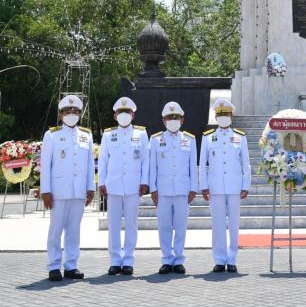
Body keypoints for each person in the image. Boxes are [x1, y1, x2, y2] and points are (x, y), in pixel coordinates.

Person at [40, 94, 95, 281]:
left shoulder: (86, 135)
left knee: (74, 230)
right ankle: (54, 266)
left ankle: (71, 266)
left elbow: (89, 165)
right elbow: (46, 165)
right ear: (61, 114)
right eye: (67, 111)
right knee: (55, 230)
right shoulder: (52, 135)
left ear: (80, 113)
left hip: (78, 191)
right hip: (58, 191)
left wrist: (90, 188)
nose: (71, 113)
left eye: (75, 111)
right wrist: (45, 191)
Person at [97, 97, 148, 276]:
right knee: (114, 225)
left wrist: (144, 181)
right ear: (115, 115)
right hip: (113, 186)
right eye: (121, 112)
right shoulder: (108, 134)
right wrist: (101, 182)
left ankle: (128, 260)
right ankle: (115, 261)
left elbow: (145, 160)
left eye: (127, 112)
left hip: (133, 186)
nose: (124, 115)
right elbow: (103, 160)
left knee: (131, 224)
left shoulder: (141, 134)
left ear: (133, 115)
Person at [199, 98, 250, 273]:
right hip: (215, 187)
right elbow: (202, 164)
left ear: (232, 116)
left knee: (234, 224)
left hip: (235, 186)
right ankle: (220, 260)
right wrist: (204, 186)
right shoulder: (208, 137)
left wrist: (246, 185)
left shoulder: (240, 137)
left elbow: (245, 163)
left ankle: (232, 259)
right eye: (220, 115)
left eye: (226, 114)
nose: (223, 118)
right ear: (215, 117)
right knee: (218, 224)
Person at [148, 101, 198, 275]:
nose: (173, 120)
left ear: (182, 120)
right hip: (162, 190)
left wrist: (193, 188)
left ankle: (179, 260)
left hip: (183, 190)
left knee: (181, 226)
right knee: (164, 226)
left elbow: (193, 167)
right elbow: (152, 167)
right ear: (163, 120)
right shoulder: (155, 140)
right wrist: (153, 189)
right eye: (169, 117)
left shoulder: (189, 139)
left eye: (176, 117)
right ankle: (166, 259)